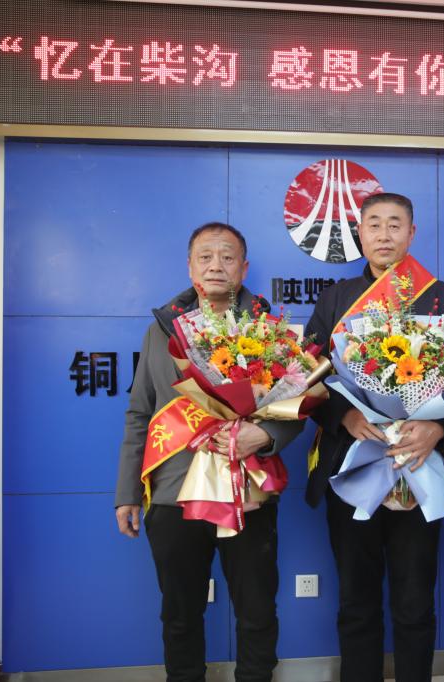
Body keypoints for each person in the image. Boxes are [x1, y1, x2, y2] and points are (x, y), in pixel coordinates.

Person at [114, 222, 303, 682]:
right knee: (180, 613)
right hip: (173, 490)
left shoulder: (268, 330)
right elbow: (140, 413)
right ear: (190, 266)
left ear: (244, 268)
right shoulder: (161, 332)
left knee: (257, 609)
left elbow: (297, 406)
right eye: (205, 256)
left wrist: (266, 437)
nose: (216, 265)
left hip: (247, 490)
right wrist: (127, 493)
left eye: (227, 256)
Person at [305, 192, 444, 682]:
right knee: (356, 600)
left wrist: (438, 426)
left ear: (411, 234)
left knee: (415, 600)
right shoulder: (335, 298)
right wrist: (343, 416)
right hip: (353, 465)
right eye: (374, 224)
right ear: (360, 233)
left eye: (395, 225)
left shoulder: (442, 297)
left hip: (420, 465)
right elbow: (304, 376)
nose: (384, 234)